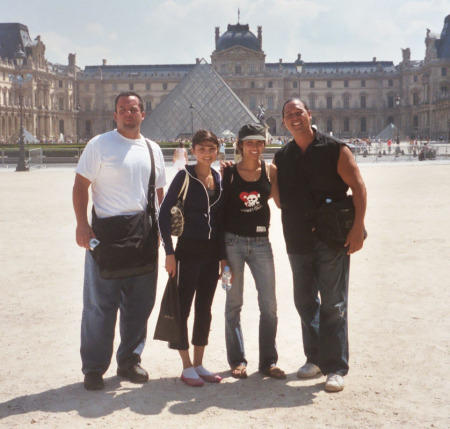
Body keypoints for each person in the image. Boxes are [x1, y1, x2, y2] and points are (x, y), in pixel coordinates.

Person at [72, 91, 167, 391]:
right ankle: (94, 367)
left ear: (143, 113)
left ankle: (129, 360)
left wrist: (163, 234)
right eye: (122, 109)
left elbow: (158, 195)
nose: (128, 114)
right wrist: (82, 225)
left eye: (133, 109)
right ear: (115, 115)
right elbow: (80, 186)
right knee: (101, 305)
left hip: (144, 235)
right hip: (106, 237)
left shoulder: (153, 149)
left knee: (140, 305)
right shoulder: (99, 144)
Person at [273, 98, 367, 392]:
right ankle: (314, 357)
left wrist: (357, 228)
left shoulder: (335, 149)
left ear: (309, 115)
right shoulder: (282, 156)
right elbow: (277, 198)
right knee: (304, 301)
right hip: (298, 237)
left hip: (331, 236)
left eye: (298, 112)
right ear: (284, 121)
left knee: (333, 303)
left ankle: (335, 366)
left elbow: (359, 187)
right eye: (288, 115)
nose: (294, 118)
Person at [159, 129, 226, 387]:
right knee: (183, 308)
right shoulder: (183, 176)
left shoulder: (218, 178)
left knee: (205, 310)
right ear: (193, 151)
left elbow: (218, 222)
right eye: (202, 149)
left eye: (212, 149)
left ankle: (199, 363)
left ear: (217, 150)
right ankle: (186, 366)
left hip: (210, 254)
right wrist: (169, 252)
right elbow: (163, 215)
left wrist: (222, 257)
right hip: (187, 251)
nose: (207, 153)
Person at [222, 123, 285, 380]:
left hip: (261, 244)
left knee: (269, 305)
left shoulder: (271, 171)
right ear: (240, 145)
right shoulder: (228, 172)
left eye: (259, 142)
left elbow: (280, 201)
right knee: (232, 303)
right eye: (249, 142)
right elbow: (220, 213)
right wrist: (221, 258)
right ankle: (237, 360)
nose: (255, 147)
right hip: (231, 244)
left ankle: (268, 362)